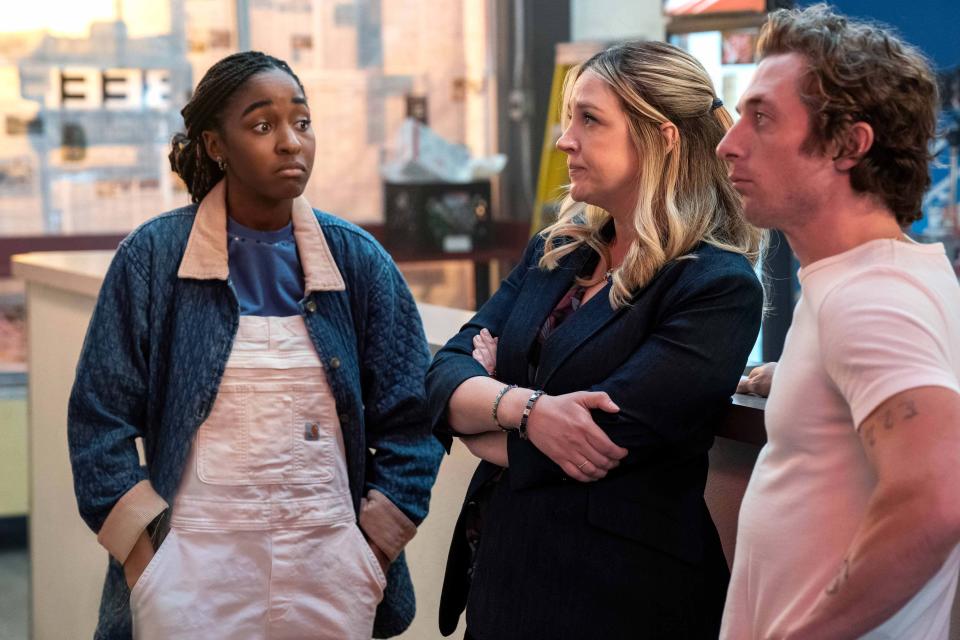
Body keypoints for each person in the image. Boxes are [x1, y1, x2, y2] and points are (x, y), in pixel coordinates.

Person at [67, 51, 443, 639]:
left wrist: (371, 550)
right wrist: (148, 565)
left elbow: (412, 419)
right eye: (263, 126)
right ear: (216, 145)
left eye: (302, 121)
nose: (291, 142)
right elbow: (99, 423)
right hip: (189, 576)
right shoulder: (152, 259)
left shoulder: (358, 262)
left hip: (330, 571)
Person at [426, 41, 765, 640]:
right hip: (503, 579)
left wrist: (487, 404)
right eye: (568, 118)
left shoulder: (716, 284)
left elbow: (600, 445)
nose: (564, 141)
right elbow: (444, 373)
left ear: (660, 138)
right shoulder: (557, 253)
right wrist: (526, 410)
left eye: (589, 119)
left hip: (622, 599)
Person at [716, 5, 960, 639]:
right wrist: (808, 379)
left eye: (761, 118)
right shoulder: (865, 280)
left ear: (849, 146)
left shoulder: (873, 295)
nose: (729, 143)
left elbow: (937, 501)